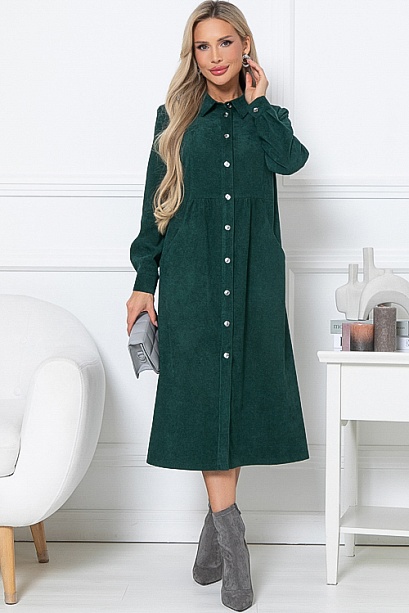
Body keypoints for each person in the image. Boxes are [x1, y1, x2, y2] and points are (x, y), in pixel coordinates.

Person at [126, 1, 309, 610]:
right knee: (207, 403)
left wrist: (260, 104)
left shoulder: (266, 119)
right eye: (202, 47)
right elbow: (155, 207)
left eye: (225, 43)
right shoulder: (174, 119)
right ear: (193, 54)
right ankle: (236, 554)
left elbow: (291, 161)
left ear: (244, 46)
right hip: (194, 282)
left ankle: (211, 550)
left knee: (237, 401)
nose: (214, 57)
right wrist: (144, 282)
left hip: (254, 280)